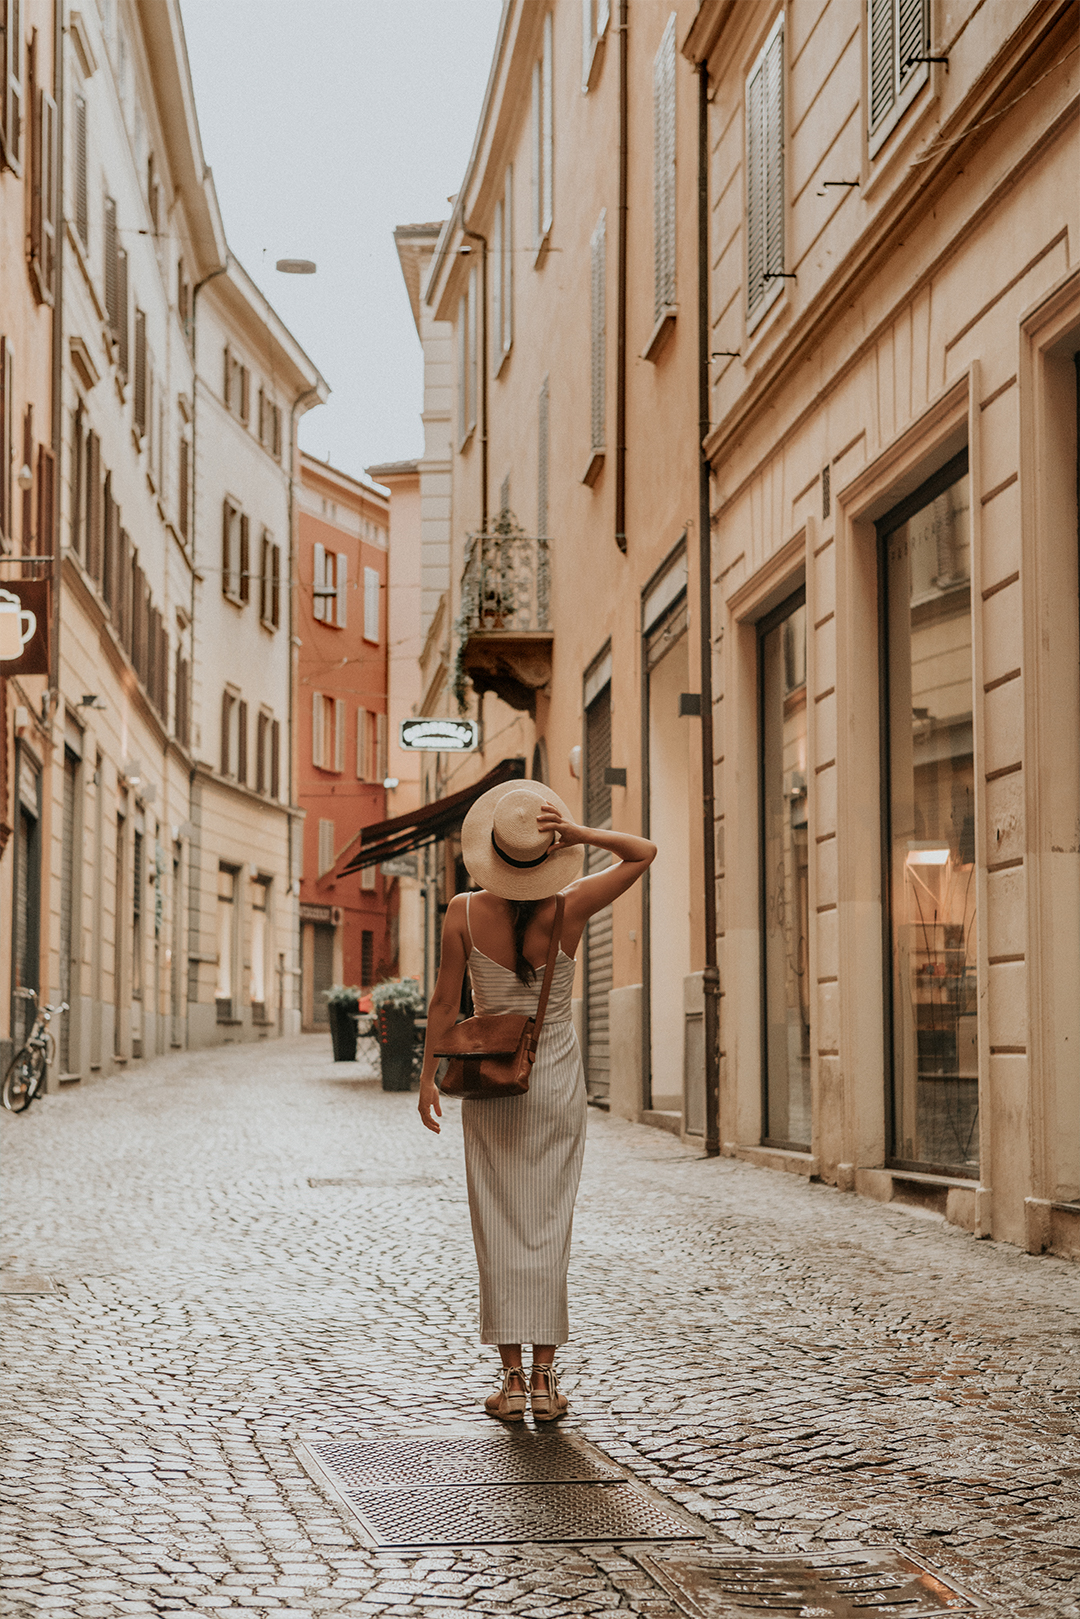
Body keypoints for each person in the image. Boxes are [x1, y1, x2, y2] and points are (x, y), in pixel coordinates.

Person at [417, 780, 656, 1423]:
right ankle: (549, 1384)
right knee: (549, 1224)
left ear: (489, 853)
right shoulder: (571, 905)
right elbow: (643, 852)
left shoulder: (462, 912)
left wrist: (427, 1076)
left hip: (491, 1082)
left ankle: (513, 1382)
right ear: (549, 855)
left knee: (496, 1226)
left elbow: (444, 1006)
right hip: (554, 1085)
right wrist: (582, 836)